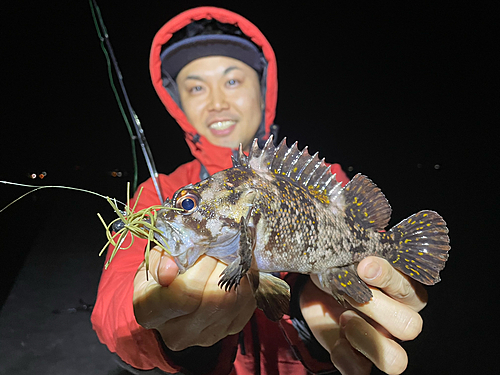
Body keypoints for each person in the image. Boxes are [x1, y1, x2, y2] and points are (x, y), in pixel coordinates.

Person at [92, 7, 427, 375]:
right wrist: (161, 328)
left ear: (263, 88)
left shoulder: (325, 179)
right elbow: (113, 312)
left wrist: (311, 305)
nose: (217, 101)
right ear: (179, 103)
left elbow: (364, 256)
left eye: (232, 81)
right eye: (196, 87)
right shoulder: (157, 193)